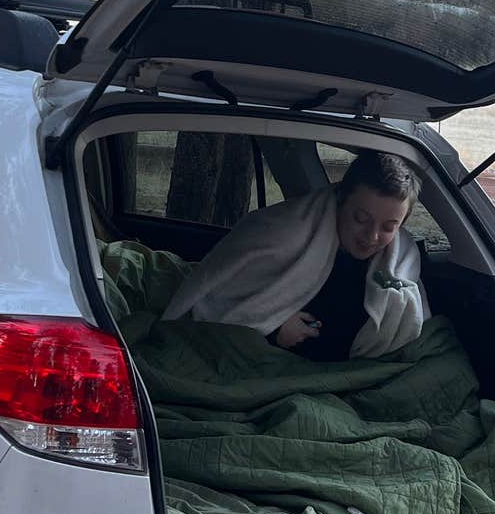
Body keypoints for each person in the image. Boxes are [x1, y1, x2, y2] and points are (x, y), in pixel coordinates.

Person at [162, 151, 428, 359]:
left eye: (388, 227)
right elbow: (218, 298)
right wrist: (274, 327)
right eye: (360, 218)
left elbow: (407, 320)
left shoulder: (401, 256)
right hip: (270, 361)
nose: (372, 237)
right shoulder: (283, 232)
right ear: (340, 199)